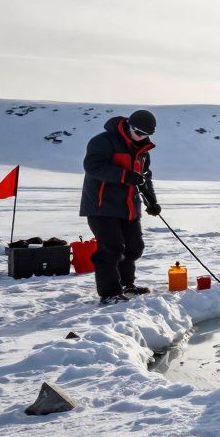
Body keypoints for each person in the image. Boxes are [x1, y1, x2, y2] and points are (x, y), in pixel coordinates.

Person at [79, 109, 160, 305]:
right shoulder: (103, 141)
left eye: (146, 135)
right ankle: (109, 294)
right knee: (111, 249)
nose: (142, 137)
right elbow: (93, 166)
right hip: (102, 206)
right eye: (139, 133)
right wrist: (124, 175)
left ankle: (127, 285)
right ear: (129, 126)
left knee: (134, 247)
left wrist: (152, 201)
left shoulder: (143, 151)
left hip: (129, 206)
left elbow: (143, 178)